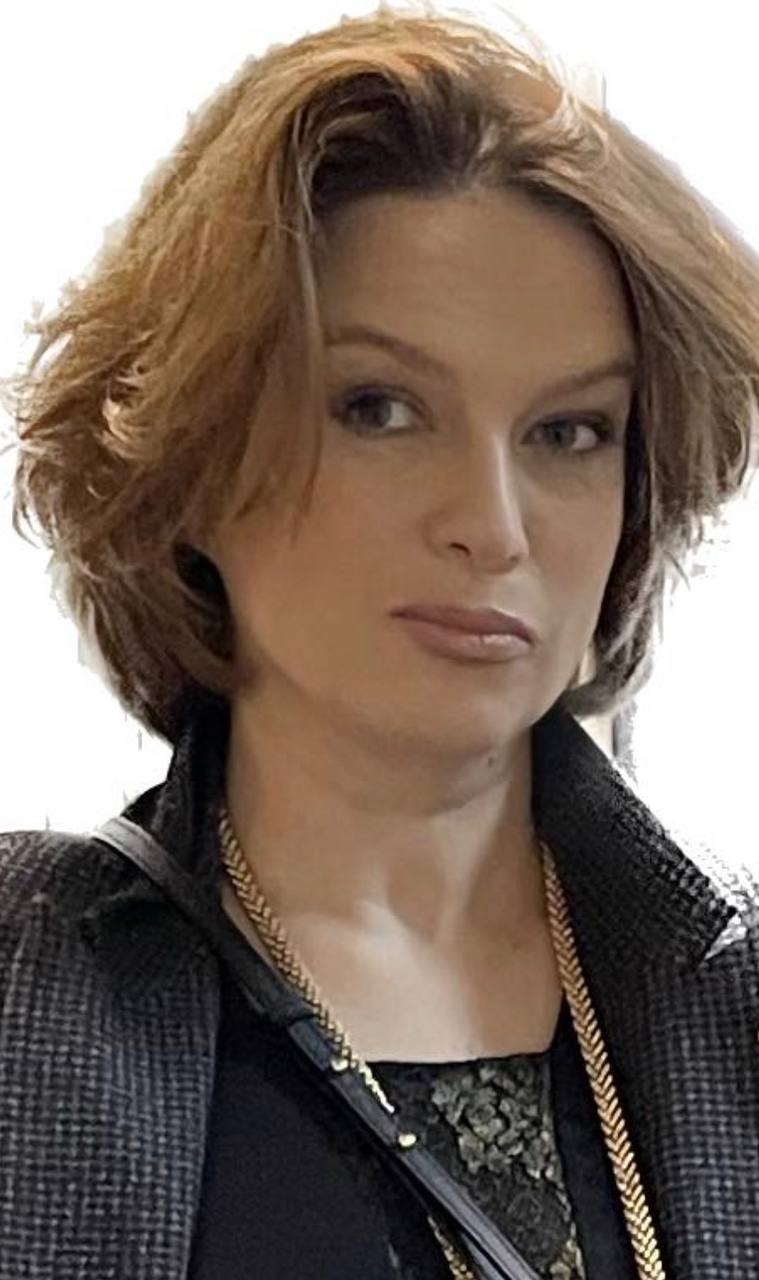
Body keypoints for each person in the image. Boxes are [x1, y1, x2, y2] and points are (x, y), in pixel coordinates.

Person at [1, 6, 758, 1279]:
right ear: (193, 455)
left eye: (570, 431)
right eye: (381, 408)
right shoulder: (27, 992)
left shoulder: (730, 1003)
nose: (492, 525)